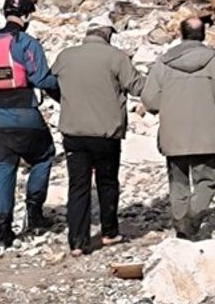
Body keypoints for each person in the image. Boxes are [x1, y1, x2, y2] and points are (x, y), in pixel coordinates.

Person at [0, 0, 60, 249]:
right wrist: (65, 96)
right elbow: (42, 79)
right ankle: (35, 212)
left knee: (3, 167)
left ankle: (3, 230)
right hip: (25, 115)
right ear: (27, 16)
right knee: (43, 156)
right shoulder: (27, 43)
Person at [52, 15, 146, 255]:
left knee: (78, 186)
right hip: (106, 132)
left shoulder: (65, 56)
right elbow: (138, 87)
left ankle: (77, 242)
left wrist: (67, 100)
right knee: (107, 182)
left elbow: (51, 83)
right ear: (108, 34)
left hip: (74, 131)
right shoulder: (116, 57)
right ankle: (109, 232)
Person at [141, 17, 215, 240]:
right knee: (206, 181)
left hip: (173, 135)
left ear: (181, 34)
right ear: (204, 35)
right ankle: (193, 218)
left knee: (178, 182)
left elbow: (150, 101)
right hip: (207, 135)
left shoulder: (163, 64)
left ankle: (181, 225)